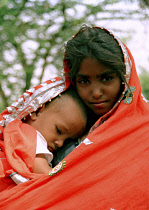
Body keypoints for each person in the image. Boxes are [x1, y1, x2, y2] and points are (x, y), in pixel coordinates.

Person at [0, 25, 148, 209]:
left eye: (106, 78)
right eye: (84, 81)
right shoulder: (67, 116)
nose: (95, 93)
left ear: (124, 77)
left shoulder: (144, 132)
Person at [0, 77, 87, 186]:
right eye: (59, 131)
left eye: (66, 141)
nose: (60, 143)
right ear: (38, 111)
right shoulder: (28, 133)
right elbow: (45, 174)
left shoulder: (16, 132)